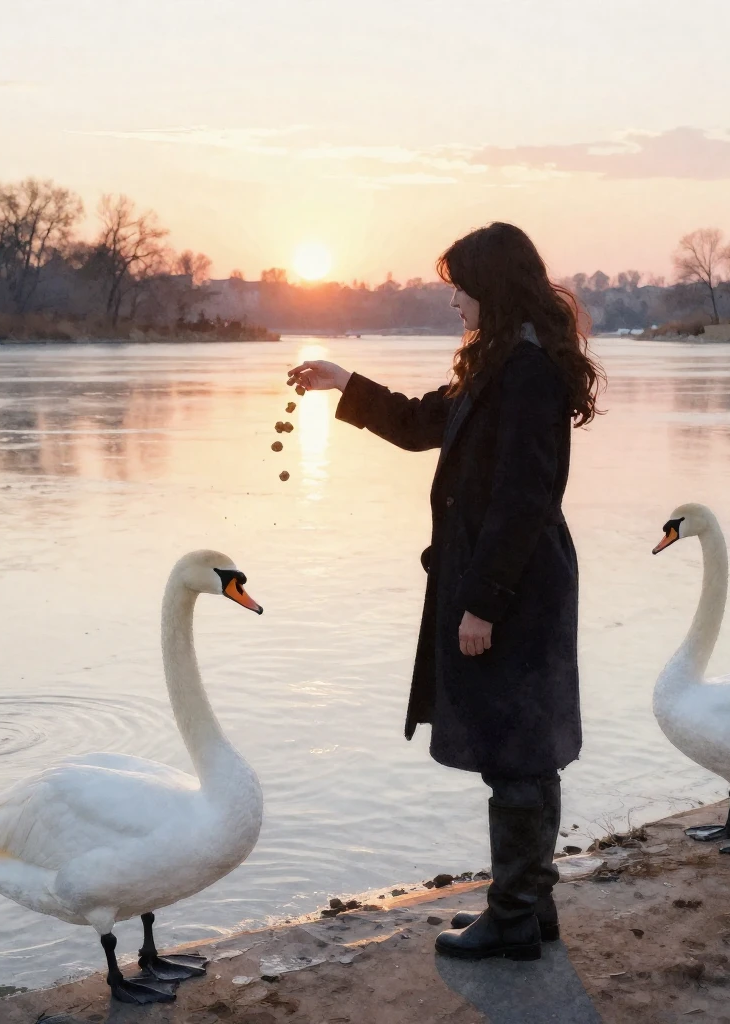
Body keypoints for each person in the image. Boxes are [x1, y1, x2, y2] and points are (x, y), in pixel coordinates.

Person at [287, 222, 603, 962]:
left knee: (517, 752)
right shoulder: (499, 361)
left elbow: (526, 494)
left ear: (489, 286)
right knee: (525, 748)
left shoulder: (523, 369)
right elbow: (427, 422)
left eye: (459, 285)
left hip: (514, 580)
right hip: (508, 571)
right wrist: (344, 382)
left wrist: (483, 602)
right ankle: (532, 907)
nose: (453, 300)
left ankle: (515, 915)